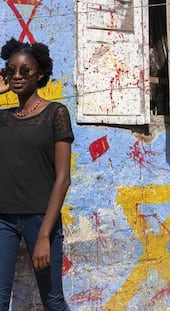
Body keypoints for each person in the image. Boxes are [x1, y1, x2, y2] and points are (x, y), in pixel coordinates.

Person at [0, 38, 73, 310]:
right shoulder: (3, 118)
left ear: (40, 73)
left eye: (24, 70)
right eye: (10, 71)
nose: (17, 76)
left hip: (41, 219)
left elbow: (63, 178)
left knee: (52, 300)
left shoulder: (56, 114)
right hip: (2, 221)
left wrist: (44, 234)